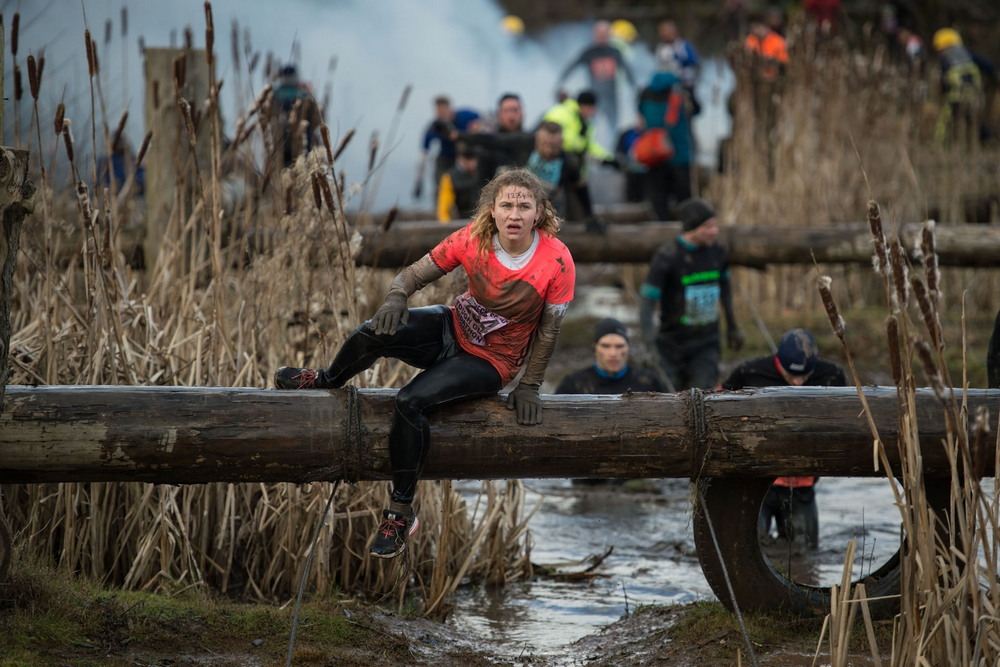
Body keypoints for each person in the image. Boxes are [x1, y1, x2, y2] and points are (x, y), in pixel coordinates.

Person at [274, 168, 576, 559]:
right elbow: (416, 273)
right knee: (374, 331)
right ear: (492, 211)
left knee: (408, 402)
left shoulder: (558, 260)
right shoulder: (473, 237)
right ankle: (327, 378)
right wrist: (396, 297)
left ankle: (400, 513)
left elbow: (549, 331)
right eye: (506, 205)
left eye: (524, 205)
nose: (514, 214)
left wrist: (530, 385)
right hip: (452, 327)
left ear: (539, 213)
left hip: (491, 361)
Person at [721, 328, 848, 548]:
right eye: (792, 376)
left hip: (801, 487)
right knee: (743, 549)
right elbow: (717, 407)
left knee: (805, 558)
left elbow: (848, 423)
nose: (798, 383)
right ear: (779, 362)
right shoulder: (749, 372)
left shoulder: (832, 376)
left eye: (804, 377)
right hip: (755, 482)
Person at [639, 198, 743, 391]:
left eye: (715, 225)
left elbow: (726, 291)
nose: (715, 231)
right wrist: (649, 344)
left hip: (706, 343)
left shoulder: (718, 253)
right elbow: (647, 302)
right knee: (670, 400)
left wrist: (732, 326)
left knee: (702, 398)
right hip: (671, 344)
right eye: (708, 227)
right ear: (691, 228)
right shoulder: (667, 257)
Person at [557, 317, 667, 489]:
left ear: (628, 348)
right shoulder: (573, 384)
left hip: (634, 475)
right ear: (595, 348)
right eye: (606, 346)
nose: (613, 353)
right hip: (588, 477)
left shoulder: (648, 382)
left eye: (619, 346)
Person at [542, 90, 618, 229]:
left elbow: (589, 145)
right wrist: (583, 148)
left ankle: (588, 219)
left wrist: (608, 158)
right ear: (586, 106)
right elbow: (563, 140)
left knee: (577, 192)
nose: (593, 112)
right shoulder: (562, 113)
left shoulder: (585, 122)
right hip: (552, 166)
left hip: (570, 168)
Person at [556, 20, 636, 137]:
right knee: (592, 123)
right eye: (599, 34)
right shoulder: (590, 52)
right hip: (594, 96)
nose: (602, 37)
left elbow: (626, 70)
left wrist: (633, 87)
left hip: (611, 95)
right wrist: (561, 83)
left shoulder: (614, 52)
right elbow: (572, 66)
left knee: (613, 123)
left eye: (604, 34)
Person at [637, 70, 695, 221]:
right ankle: (686, 221)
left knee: (658, 194)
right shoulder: (679, 94)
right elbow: (697, 110)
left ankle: (661, 223)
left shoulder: (645, 94)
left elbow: (641, 116)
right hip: (678, 151)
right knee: (683, 193)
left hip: (654, 152)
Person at [459, 93, 535, 181]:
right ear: (499, 115)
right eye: (506, 111)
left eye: (515, 110)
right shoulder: (487, 146)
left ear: (522, 113)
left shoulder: (532, 142)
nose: (511, 116)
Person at [931, 28, 984, 146]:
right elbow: (987, 65)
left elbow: (943, 79)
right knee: (972, 120)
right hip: (972, 95)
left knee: (944, 122)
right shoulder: (967, 53)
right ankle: (986, 139)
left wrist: (942, 93)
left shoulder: (945, 58)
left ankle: (937, 145)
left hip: (954, 96)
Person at [525, 121, 588, 221]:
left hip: (551, 208)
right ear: (537, 139)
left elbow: (581, 191)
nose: (549, 149)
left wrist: (589, 216)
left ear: (561, 142)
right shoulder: (523, 148)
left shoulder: (568, 163)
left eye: (553, 146)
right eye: (545, 144)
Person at [270, 65, 323, 168]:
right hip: (303, 144)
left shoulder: (274, 95)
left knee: (283, 172)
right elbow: (317, 119)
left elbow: (267, 117)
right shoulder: (303, 95)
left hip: (279, 144)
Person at [414, 96, 458, 202]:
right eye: (439, 110)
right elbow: (423, 155)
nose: (442, 113)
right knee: (440, 191)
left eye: (444, 110)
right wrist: (419, 180)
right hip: (441, 163)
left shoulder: (457, 124)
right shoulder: (432, 129)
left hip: (457, 163)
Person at [655, 20, 701, 116]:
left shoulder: (683, 46)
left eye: (668, 31)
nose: (666, 34)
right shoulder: (661, 48)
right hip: (667, 86)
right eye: (663, 31)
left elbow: (694, 63)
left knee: (687, 111)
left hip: (685, 85)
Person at [436, 147, 481, 222]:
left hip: (480, 219)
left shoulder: (481, 174)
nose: (473, 162)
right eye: (469, 158)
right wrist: (446, 226)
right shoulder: (449, 177)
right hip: (461, 219)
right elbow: (444, 207)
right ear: (461, 159)